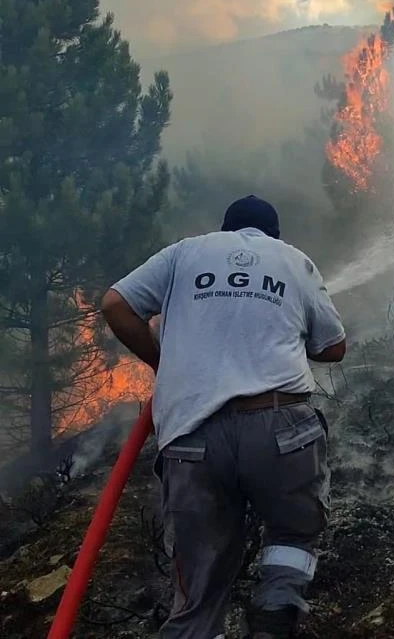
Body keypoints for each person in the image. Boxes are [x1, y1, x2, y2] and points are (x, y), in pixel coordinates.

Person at [101, 194, 346, 639]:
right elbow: (334, 347)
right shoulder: (293, 260)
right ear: (273, 235)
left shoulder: (184, 252)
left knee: (198, 588)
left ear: (225, 228)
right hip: (277, 428)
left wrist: (164, 361)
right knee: (293, 532)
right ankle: (274, 614)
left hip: (193, 436)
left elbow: (115, 305)